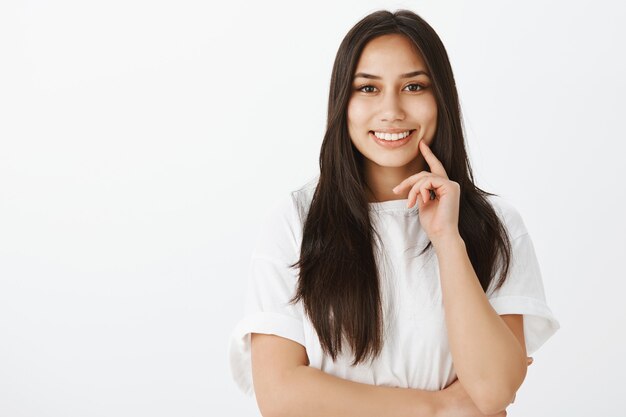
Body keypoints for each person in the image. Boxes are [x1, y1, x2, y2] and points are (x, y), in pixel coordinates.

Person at [228, 9, 560, 417]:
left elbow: (493, 391)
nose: (392, 111)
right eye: (368, 89)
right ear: (342, 102)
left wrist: (446, 239)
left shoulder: (496, 224)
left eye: (414, 86)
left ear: (441, 98)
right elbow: (280, 396)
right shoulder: (296, 219)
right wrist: (438, 408)